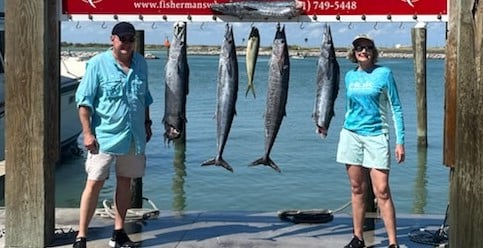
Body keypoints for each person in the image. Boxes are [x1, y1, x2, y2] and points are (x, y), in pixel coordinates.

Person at [73, 21, 153, 248]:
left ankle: (118, 232)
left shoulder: (141, 64)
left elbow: (145, 97)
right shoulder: (98, 64)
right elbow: (84, 102)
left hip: (134, 135)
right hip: (104, 136)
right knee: (94, 182)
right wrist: (87, 133)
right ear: (113, 39)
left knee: (125, 182)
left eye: (130, 39)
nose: (126, 43)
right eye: (122, 39)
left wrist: (147, 122)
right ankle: (81, 235)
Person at [336, 34, 405, 248]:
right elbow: (349, 108)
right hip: (351, 135)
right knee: (357, 188)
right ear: (354, 52)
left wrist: (400, 141)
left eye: (368, 48)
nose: (363, 51)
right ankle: (358, 238)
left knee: (382, 190)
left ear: (373, 51)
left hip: (377, 136)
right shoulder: (349, 76)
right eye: (359, 47)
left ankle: (393, 243)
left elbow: (396, 108)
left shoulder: (384, 74)